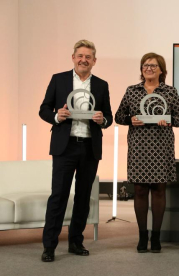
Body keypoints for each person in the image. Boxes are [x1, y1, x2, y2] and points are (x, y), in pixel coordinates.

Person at [39, 39, 113, 262]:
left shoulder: (101, 85)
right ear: (73, 58)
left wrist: (103, 120)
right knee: (58, 196)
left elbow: (108, 116)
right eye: (80, 56)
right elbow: (43, 108)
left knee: (83, 198)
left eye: (88, 57)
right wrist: (56, 116)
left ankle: (75, 242)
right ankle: (49, 246)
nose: (84, 60)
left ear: (94, 61)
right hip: (65, 146)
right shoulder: (58, 79)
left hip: (90, 147)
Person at [115, 53, 179, 253]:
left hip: (161, 145)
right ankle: (142, 236)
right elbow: (119, 116)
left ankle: (156, 237)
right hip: (139, 146)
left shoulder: (170, 92)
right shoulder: (132, 90)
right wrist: (131, 119)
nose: (149, 69)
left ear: (161, 70)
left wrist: (168, 119)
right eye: (146, 65)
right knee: (139, 190)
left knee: (159, 190)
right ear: (141, 69)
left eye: (153, 66)